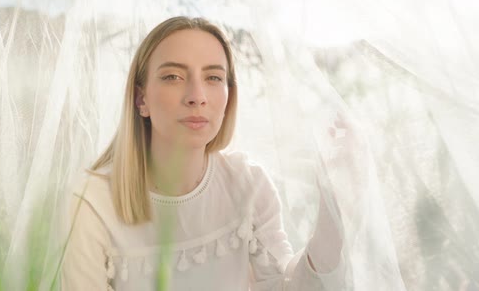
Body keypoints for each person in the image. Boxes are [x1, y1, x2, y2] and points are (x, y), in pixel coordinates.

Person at [60, 16, 345, 290]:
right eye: (173, 76)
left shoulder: (249, 184)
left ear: (228, 95)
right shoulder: (94, 202)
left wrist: (334, 205)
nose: (197, 95)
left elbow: (284, 289)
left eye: (212, 77)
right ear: (140, 99)